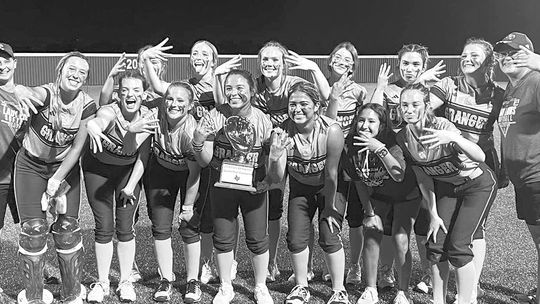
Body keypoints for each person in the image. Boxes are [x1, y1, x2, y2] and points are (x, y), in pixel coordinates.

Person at [141, 39, 234, 284]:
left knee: (207, 218)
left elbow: (223, 105)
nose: (198, 57)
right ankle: (201, 266)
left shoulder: (221, 82)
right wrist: (148, 59)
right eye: (194, 53)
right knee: (195, 219)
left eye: (204, 53)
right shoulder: (186, 87)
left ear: (214, 60)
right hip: (189, 150)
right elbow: (160, 86)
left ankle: (209, 262)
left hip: (215, 156)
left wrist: (219, 76)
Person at [395, 83, 497, 304]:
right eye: (404, 105)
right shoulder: (403, 136)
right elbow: (423, 177)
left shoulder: (442, 125)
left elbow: (479, 156)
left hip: (476, 185)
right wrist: (433, 212)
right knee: (436, 244)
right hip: (448, 188)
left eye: (415, 104)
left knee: (459, 246)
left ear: (427, 105)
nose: (409, 110)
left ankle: (466, 299)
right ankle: (438, 300)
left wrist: (455, 139)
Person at [14, 51, 96, 304]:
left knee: (67, 229)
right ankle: (34, 296)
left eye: (82, 72)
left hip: (65, 169)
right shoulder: (47, 93)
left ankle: (72, 293)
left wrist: (56, 179)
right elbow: (30, 92)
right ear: (60, 71)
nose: (76, 75)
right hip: (30, 165)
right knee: (34, 230)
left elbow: (77, 148)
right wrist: (19, 90)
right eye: (72, 69)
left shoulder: (87, 104)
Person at [429, 37, 505, 301]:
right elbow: (422, 109)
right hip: (449, 167)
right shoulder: (449, 84)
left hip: (483, 167)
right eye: (463, 55)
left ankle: (472, 288)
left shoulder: (498, 94)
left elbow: (508, 129)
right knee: (442, 231)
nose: (467, 59)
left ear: (488, 61)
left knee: (476, 228)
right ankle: (450, 288)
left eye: (474, 55)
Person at [192, 69, 273, 304]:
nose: (234, 93)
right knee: (223, 237)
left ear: (252, 91)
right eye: (229, 88)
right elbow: (205, 160)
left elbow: (270, 157)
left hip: (253, 187)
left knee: (258, 238)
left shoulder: (262, 119)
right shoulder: (215, 116)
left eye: (240, 88)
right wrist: (199, 140)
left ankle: (260, 286)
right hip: (222, 185)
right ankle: (226, 285)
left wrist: (268, 177)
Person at [370, 43, 445, 292]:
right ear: (398, 64)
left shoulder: (431, 93)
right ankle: (386, 272)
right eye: (405, 63)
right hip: (392, 163)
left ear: (424, 66)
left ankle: (428, 274)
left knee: (425, 225)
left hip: (423, 165)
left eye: (415, 64)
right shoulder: (389, 90)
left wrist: (422, 85)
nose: (409, 68)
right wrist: (380, 87)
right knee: (390, 227)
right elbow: (372, 116)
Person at [268, 82, 348, 304]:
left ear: (317, 107)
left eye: (304, 104)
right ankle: (301, 285)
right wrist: (274, 156)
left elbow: (332, 174)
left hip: (329, 187)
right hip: (301, 188)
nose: (297, 109)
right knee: (295, 238)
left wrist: (331, 208)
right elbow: (276, 177)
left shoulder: (331, 130)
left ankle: (339, 290)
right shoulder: (282, 132)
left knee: (329, 233)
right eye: (292, 104)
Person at [83, 70, 156, 303]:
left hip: (127, 173)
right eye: (125, 91)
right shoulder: (111, 110)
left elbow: (140, 155)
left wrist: (131, 186)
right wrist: (94, 125)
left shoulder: (147, 117)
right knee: (103, 227)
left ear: (144, 94)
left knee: (125, 227)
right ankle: (102, 281)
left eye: (136, 90)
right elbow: (101, 118)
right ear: (119, 94)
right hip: (98, 171)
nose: (130, 95)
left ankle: (125, 280)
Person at [346, 103, 420, 304]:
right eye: (361, 120)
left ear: (382, 124)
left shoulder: (391, 141)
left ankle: (403, 292)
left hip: (406, 195)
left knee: (400, 239)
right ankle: (370, 289)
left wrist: (379, 149)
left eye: (371, 121)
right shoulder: (350, 144)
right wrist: (369, 212)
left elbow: (398, 175)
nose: (365, 126)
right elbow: (359, 181)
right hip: (380, 195)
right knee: (371, 232)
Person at [142, 82, 203, 302]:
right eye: (170, 99)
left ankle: (192, 281)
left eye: (180, 101)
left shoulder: (190, 133)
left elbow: (195, 174)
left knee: (188, 226)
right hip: (160, 171)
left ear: (190, 106)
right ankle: (166, 279)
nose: (173, 104)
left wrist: (187, 207)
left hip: (188, 175)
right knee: (160, 226)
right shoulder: (156, 113)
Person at [494, 32, 540, 304]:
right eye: (502, 53)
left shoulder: (535, 81)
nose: (506, 58)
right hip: (524, 179)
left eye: (514, 52)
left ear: (529, 54)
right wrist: (504, 171)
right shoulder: (513, 87)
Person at [324, 42, 367, 285]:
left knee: (356, 217)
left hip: (352, 160)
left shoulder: (360, 92)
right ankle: (332, 262)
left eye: (348, 59)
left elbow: (368, 124)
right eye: (338, 57)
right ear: (330, 61)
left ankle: (354, 266)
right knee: (330, 212)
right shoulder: (320, 87)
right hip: (327, 160)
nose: (342, 61)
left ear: (353, 65)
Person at [0, 42, 27, 294]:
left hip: (23, 176)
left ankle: (34, 277)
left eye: (6, 59)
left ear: (14, 63)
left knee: (31, 228)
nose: (1, 64)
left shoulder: (26, 95)